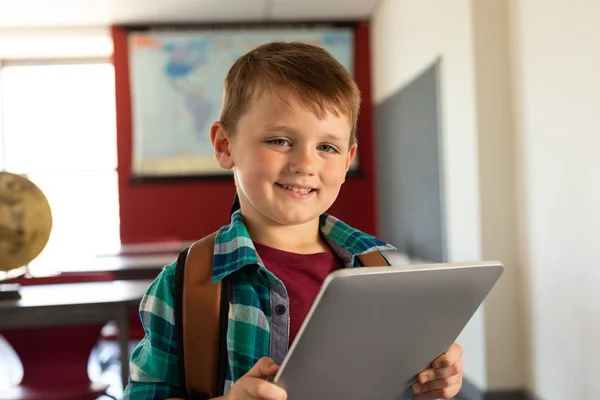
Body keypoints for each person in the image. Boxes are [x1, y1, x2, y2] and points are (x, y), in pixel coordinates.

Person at [123, 41, 464, 400]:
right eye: (280, 140)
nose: (305, 164)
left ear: (347, 160)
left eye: (327, 147)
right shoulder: (186, 284)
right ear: (225, 146)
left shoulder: (375, 268)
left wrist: (430, 382)